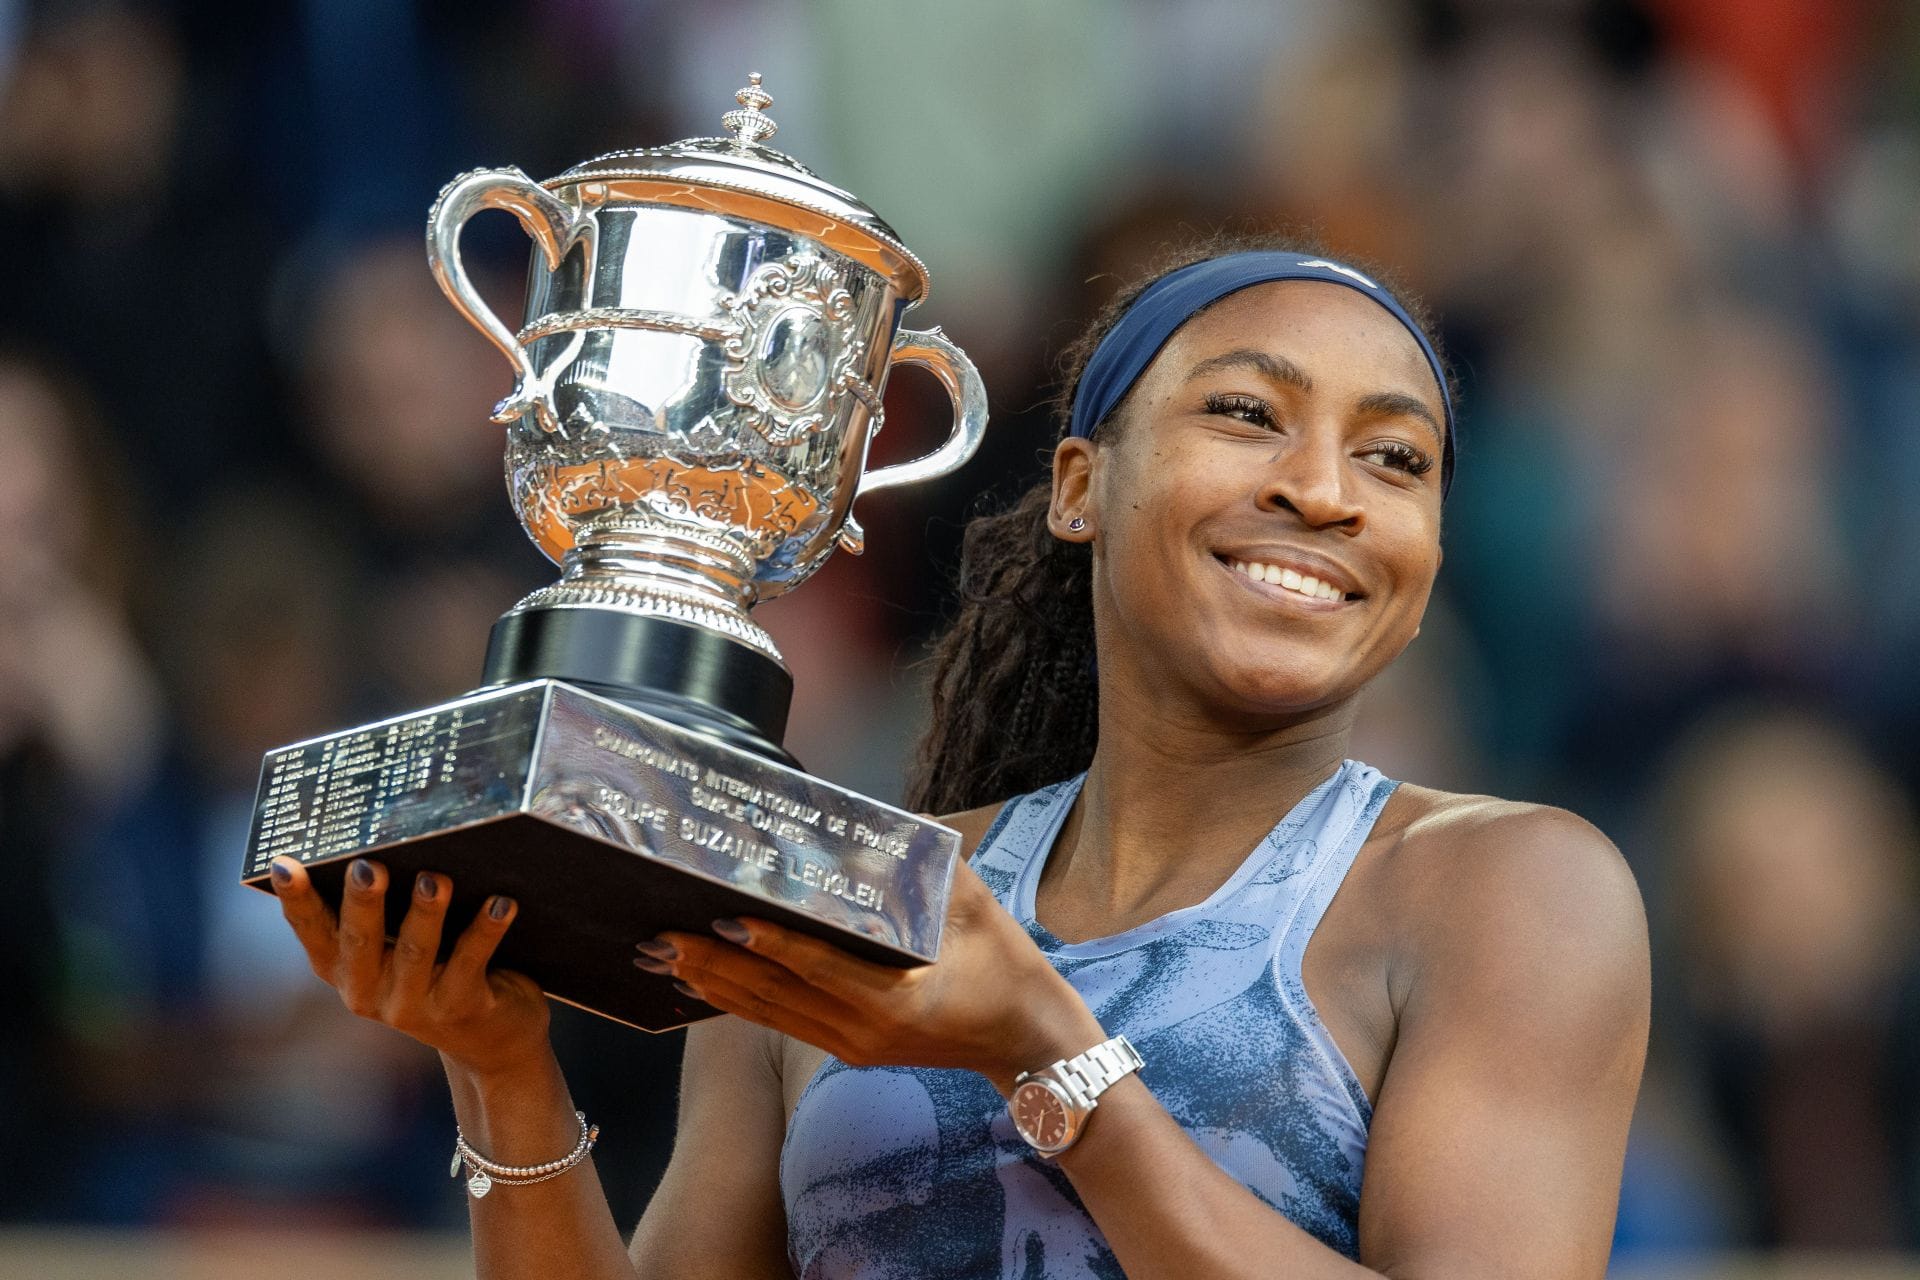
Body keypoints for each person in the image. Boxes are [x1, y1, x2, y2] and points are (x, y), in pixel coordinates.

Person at [267, 238, 1651, 1277]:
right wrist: (501, 1066)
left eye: (1396, 459)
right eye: (1246, 415)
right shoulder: (837, 894)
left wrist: (1047, 1055)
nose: (1323, 489)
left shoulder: (1510, 891)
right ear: (1077, 487)